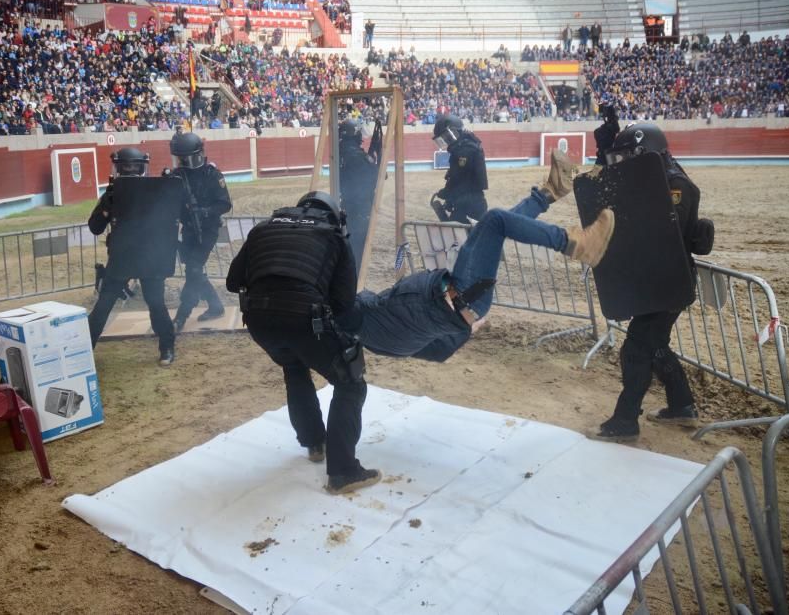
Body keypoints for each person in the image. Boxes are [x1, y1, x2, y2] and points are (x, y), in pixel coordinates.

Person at [346, 151, 615, 362]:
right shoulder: (360, 321)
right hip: (459, 295)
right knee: (495, 220)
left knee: (491, 228)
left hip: (461, 298)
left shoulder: (381, 342)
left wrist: (467, 328)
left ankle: (549, 192)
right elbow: (347, 300)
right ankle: (576, 244)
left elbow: (437, 353)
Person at [226, 191, 380, 495]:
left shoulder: (263, 228)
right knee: (350, 383)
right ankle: (343, 472)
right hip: (304, 319)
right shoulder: (333, 235)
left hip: (259, 320)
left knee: (294, 368)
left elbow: (233, 282)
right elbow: (344, 301)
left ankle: (314, 443)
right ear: (334, 215)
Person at [593, 123, 708, 442]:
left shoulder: (675, 184)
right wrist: (605, 155)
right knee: (654, 345)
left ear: (647, 154)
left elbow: (658, 230)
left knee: (637, 349)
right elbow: (611, 195)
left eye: (629, 156)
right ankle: (682, 405)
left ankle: (625, 419)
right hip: (655, 280)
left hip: (669, 282)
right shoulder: (655, 177)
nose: (624, 163)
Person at [86, 148, 178, 366]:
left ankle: (167, 346)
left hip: (149, 256)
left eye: (132, 168)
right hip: (122, 257)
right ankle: (85, 351)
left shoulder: (155, 192)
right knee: (103, 306)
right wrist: (108, 206)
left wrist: (170, 186)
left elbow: (172, 216)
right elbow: (95, 227)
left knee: (156, 304)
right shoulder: (111, 193)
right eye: (124, 169)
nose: (129, 173)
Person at [169, 132, 233, 331]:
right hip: (188, 231)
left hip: (208, 230)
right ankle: (215, 306)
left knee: (194, 269)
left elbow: (225, 204)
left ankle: (182, 315)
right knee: (193, 271)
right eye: (179, 158)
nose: (182, 162)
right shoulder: (178, 176)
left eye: (185, 158)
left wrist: (205, 212)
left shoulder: (212, 174)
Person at [338, 118, 378, 272]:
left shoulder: (342, 151)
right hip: (358, 205)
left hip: (348, 202)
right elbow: (371, 177)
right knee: (358, 243)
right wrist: (375, 164)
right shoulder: (355, 155)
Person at [432, 114, 488, 223]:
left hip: (470, 202)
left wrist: (446, 193)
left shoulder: (465, 150)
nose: (446, 141)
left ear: (455, 132)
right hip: (468, 200)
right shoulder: (464, 146)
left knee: (457, 234)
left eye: (446, 137)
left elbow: (458, 177)